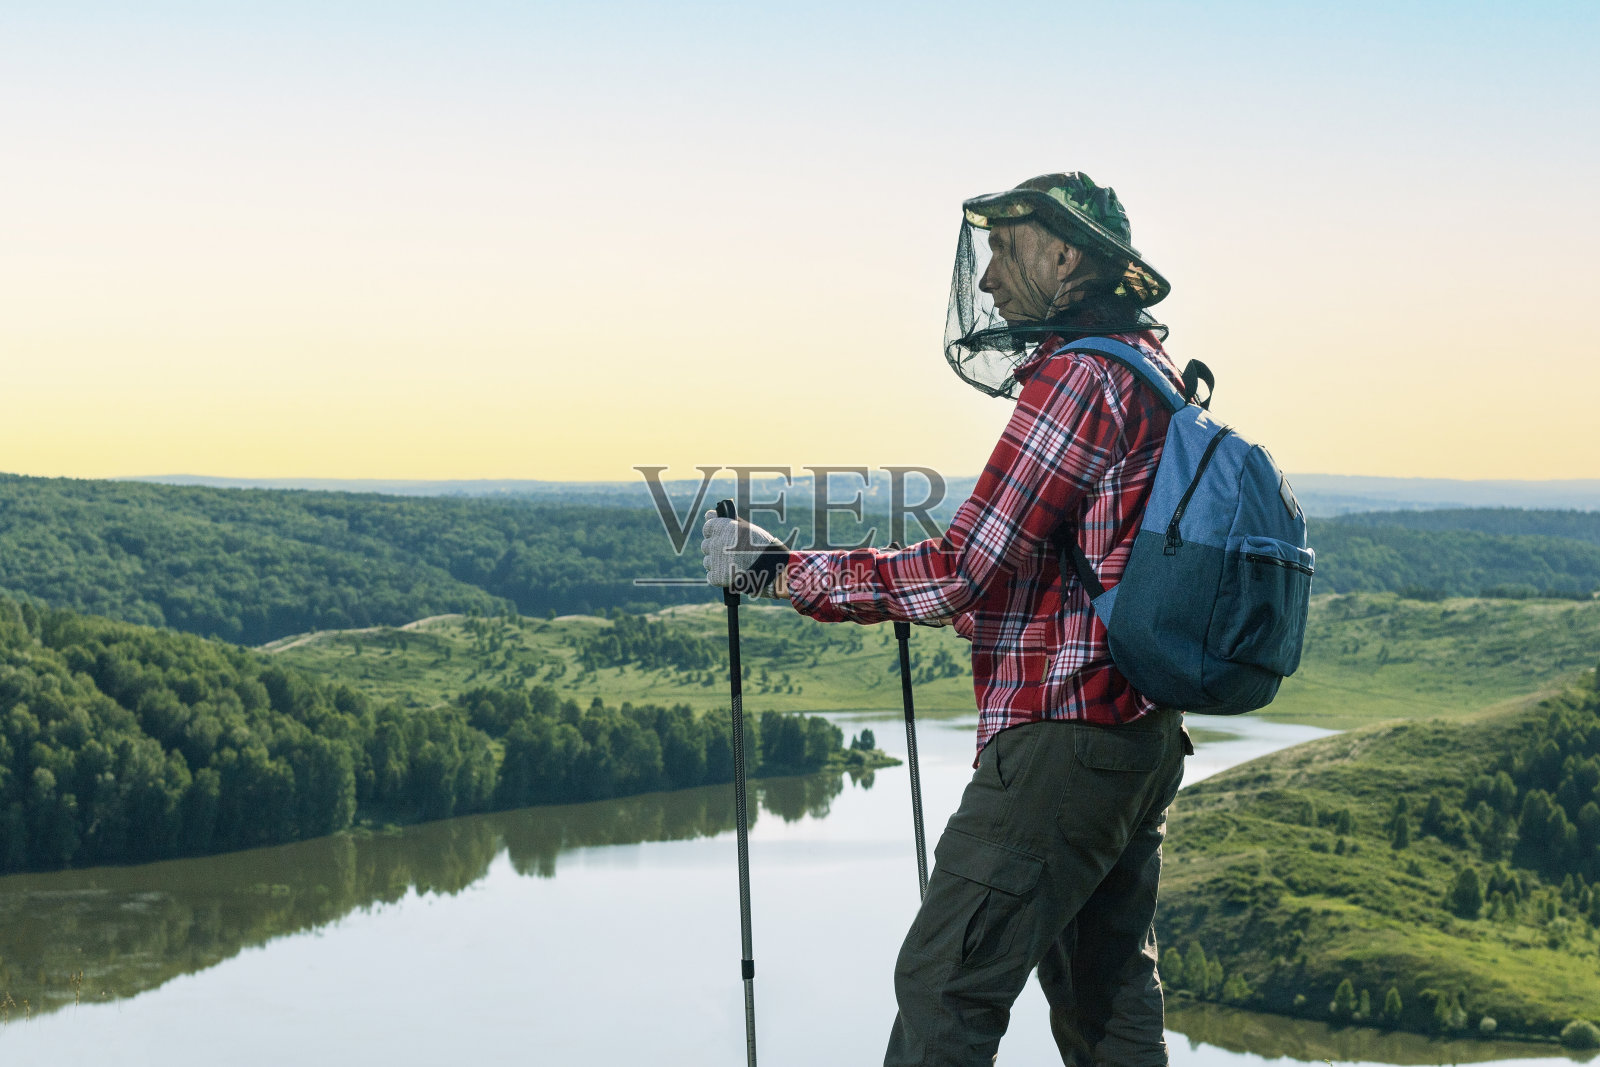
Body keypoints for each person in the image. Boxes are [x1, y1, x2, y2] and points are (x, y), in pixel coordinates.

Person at [702, 172, 1192, 1066]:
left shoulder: (1080, 377)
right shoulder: (1151, 370)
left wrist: (781, 572)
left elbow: (963, 570)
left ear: (1064, 254)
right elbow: (1074, 573)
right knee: (1108, 997)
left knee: (944, 985)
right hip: (1141, 732)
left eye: (1005, 250)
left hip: (1062, 736)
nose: (989, 279)